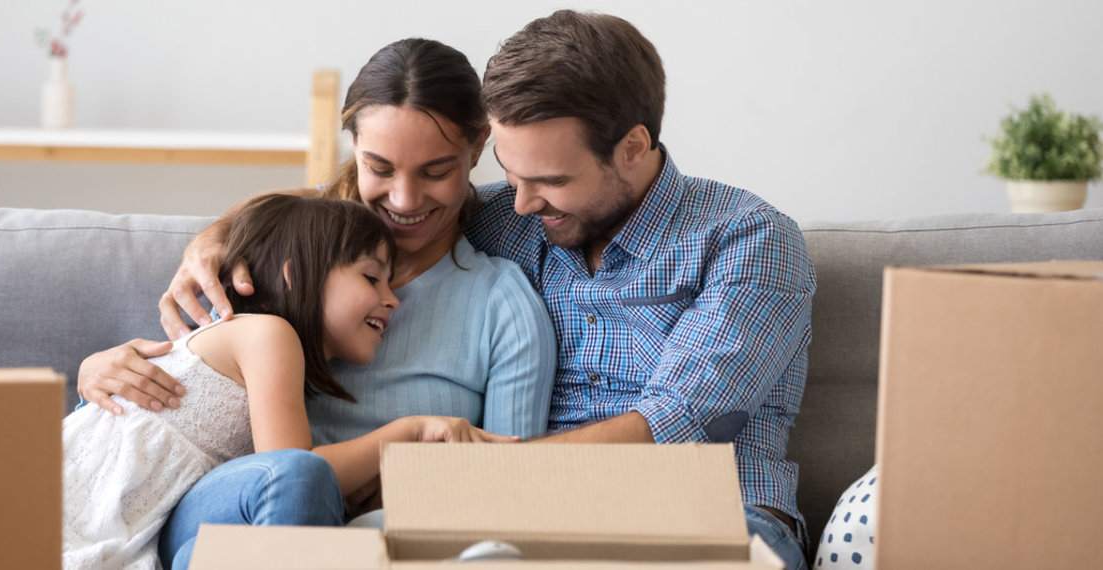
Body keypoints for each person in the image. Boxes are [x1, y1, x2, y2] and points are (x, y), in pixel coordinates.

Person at [166, 11, 816, 569]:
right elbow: (343, 214)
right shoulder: (513, 216)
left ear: (631, 147)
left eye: (550, 180)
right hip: (521, 527)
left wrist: (444, 481)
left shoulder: (748, 239)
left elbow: (676, 424)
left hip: (709, 518)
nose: (520, 201)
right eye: (508, 173)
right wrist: (217, 238)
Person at [75, 38, 557, 570]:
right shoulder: (295, 260)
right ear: (353, 145)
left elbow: (510, 479)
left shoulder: (502, 304)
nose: (403, 199)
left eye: (436, 171)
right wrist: (98, 372)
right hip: (236, 506)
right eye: (379, 167)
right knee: (299, 476)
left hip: (378, 537)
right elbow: (191, 382)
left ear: (478, 146)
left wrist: (410, 493)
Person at [62, 194, 515, 569]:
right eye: (371, 277)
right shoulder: (267, 334)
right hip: (84, 514)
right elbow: (291, 465)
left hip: (168, 523)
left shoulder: (272, 352)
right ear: (295, 273)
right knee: (302, 473)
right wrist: (409, 431)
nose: (392, 300)